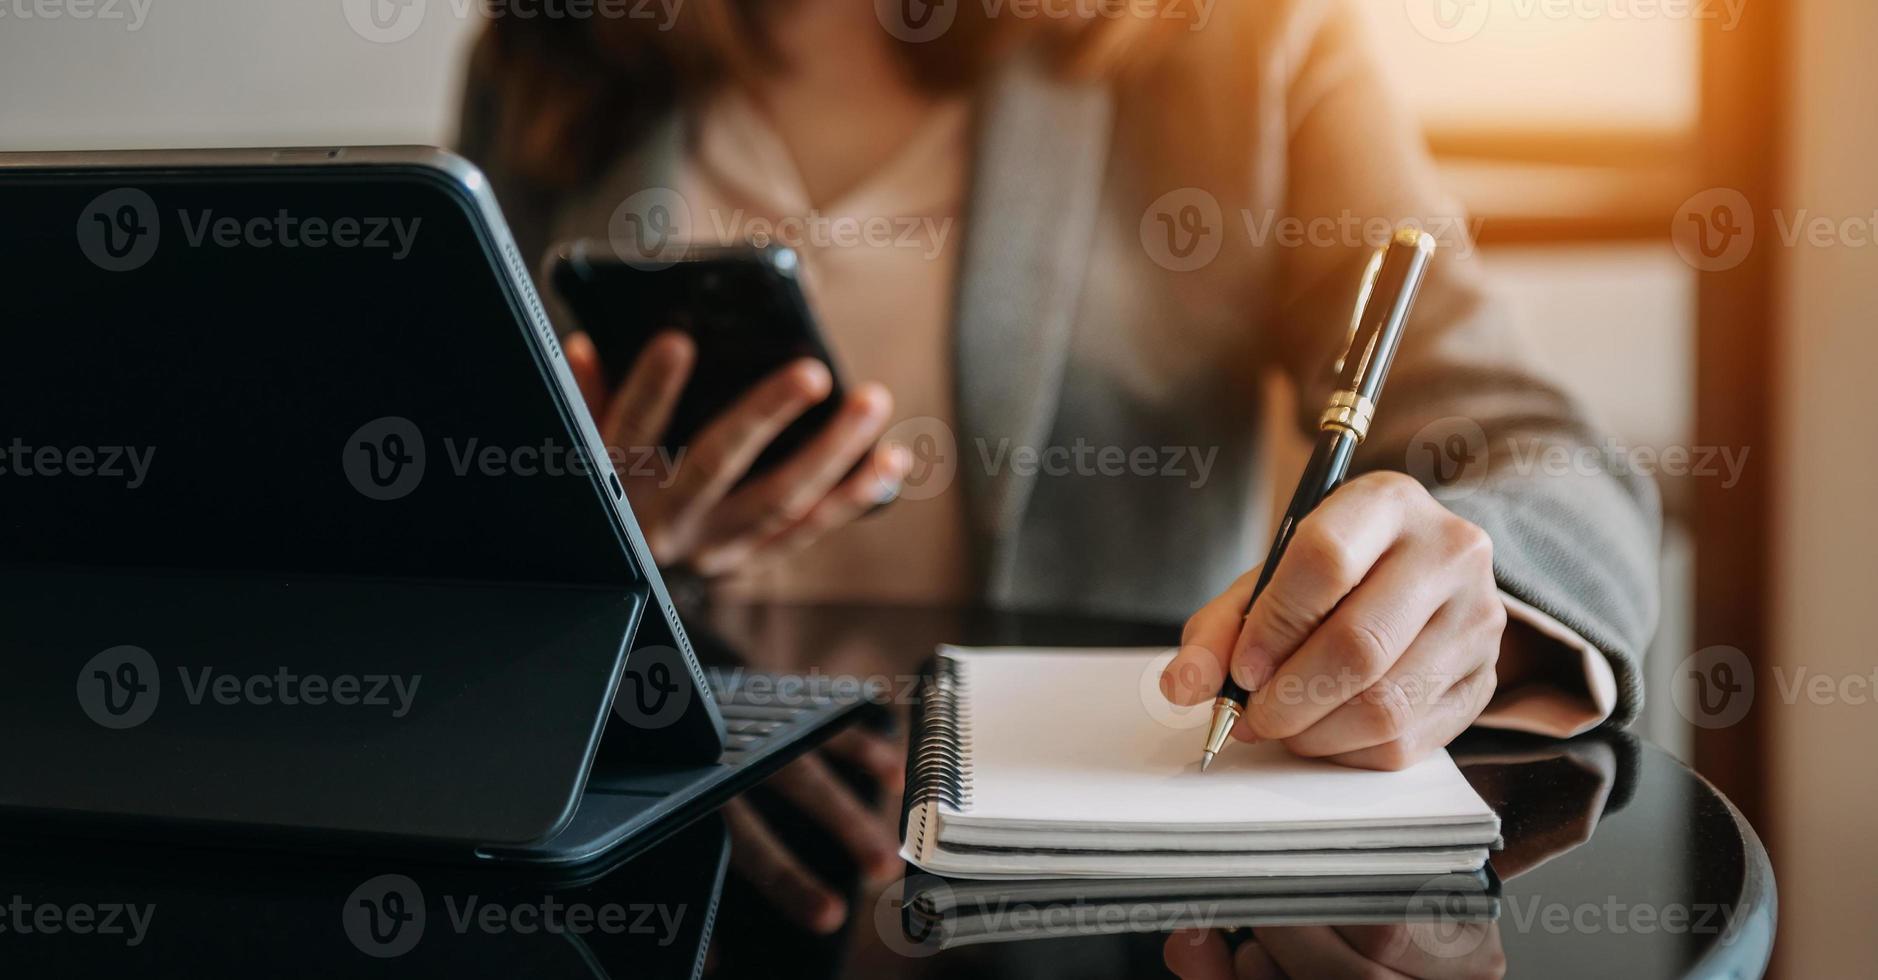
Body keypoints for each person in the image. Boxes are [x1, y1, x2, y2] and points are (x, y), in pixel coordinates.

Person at [457, 0, 1659, 933]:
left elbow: (1532, 442)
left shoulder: (1243, 42)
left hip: (1105, 884)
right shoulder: (552, 49)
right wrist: (601, 536)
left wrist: (1474, 604)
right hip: (675, 860)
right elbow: (468, 499)